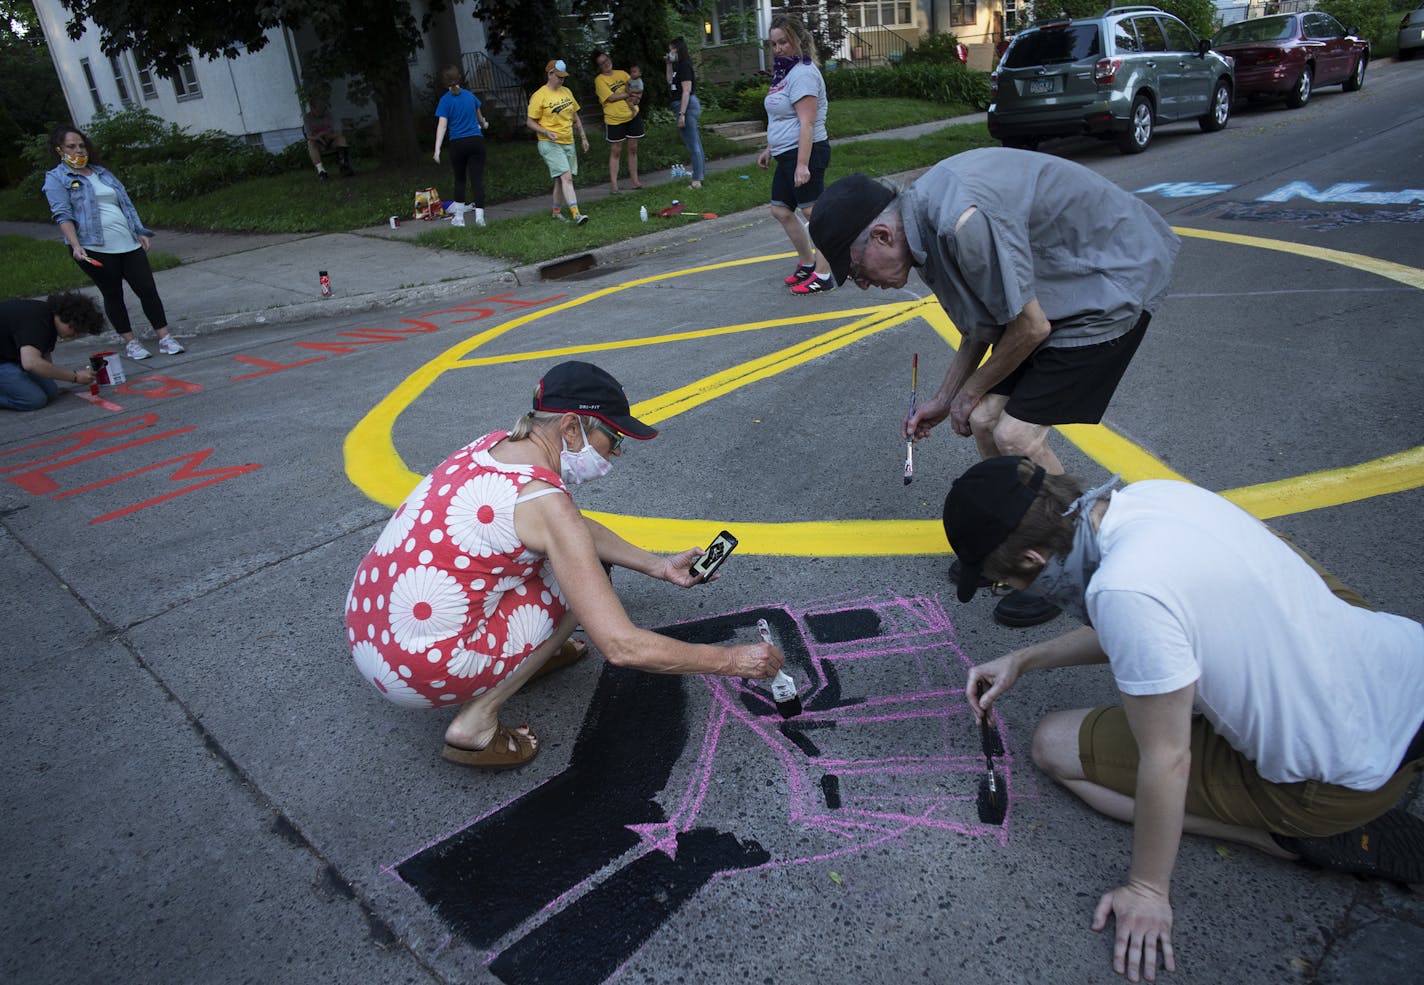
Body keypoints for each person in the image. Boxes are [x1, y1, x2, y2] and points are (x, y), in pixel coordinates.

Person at [944, 456, 1424, 983]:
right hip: (1401, 671)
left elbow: (1167, 757)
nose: (1011, 593)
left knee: (1054, 745)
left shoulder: (1124, 591)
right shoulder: (1151, 500)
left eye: (1003, 583)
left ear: (1034, 558)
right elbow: (1153, 612)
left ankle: (1292, 836)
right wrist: (1024, 659)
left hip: (1338, 777)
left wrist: (1147, 889)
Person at [345, 360, 785, 767]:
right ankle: (475, 723)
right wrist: (734, 661)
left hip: (371, 628)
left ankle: (531, 652)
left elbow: (572, 529)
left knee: (572, 561)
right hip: (422, 669)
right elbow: (622, 646)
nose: (615, 454)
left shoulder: (492, 447)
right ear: (571, 428)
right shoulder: (546, 504)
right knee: (587, 579)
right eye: (613, 440)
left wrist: (659, 566)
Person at [807, 151, 1179, 627]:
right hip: (1051, 298)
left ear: (882, 235)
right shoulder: (922, 232)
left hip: (1107, 282)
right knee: (983, 419)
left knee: (1017, 437)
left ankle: (1068, 562)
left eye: (856, 270)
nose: (861, 284)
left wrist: (968, 391)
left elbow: (1029, 326)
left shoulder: (962, 222)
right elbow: (981, 324)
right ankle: (1011, 542)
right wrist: (947, 399)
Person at [42, 126, 187, 362]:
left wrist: (138, 231)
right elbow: (62, 214)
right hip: (94, 246)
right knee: (113, 293)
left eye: (81, 145)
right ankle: (131, 342)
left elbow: (124, 204)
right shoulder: (56, 178)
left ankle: (165, 337)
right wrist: (76, 245)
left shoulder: (102, 173)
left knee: (147, 289)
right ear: (59, 150)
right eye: (71, 146)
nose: (78, 150)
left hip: (127, 242)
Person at [757, 14, 832, 295]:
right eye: (773, 44)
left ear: (797, 41)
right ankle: (808, 263)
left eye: (783, 42)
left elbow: (806, 123)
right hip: (785, 153)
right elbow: (780, 119)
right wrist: (769, 148)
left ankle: (824, 275)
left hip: (806, 153)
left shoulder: (802, 73)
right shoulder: (785, 73)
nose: (778, 49)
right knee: (780, 209)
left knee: (814, 212)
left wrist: (803, 165)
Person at [0, 291, 105, 411]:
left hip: (8, 357)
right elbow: (31, 363)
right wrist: (74, 376)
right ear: (69, 321)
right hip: (5, 362)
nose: (75, 335)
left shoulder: (48, 319)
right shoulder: (37, 321)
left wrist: (52, 384)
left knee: (51, 393)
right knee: (33, 400)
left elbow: (44, 356)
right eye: (76, 331)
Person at [526, 59, 591, 226]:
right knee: (567, 177)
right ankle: (577, 215)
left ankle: (556, 213)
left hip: (568, 141)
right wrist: (545, 131)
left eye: (563, 77)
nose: (561, 80)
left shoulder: (567, 92)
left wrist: (583, 137)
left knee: (560, 179)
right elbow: (530, 122)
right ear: (550, 74)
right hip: (549, 143)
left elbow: (575, 116)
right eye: (558, 76)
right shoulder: (539, 95)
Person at [433, 65, 491, 227]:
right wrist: (485, 124)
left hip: (458, 144)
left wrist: (437, 149)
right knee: (477, 180)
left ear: (445, 84)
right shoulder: (470, 97)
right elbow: (480, 120)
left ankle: (459, 218)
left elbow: (442, 126)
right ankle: (480, 218)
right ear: (459, 79)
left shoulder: (445, 101)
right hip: (476, 141)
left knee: (460, 180)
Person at [594, 51, 643, 193]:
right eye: (602, 63)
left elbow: (636, 87)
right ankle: (614, 186)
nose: (606, 63)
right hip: (614, 119)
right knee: (616, 150)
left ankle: (635, 181)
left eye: (607, 59)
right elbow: (611, 97)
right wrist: (627, 94)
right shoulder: (600, 80)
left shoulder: (622, 74)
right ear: (599, 67)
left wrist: (635, 98)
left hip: (632, 115)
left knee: (633, 147)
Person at [665, 37, 705, 189]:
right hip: (682, 106)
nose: (670, 52)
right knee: (694, 141)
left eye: (672, 49)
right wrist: (668, 64)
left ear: (678, 49)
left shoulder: (685, 66)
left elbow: (686, 91)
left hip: (686, 106)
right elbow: (670, 81)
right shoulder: (678, 66)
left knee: (692, 142)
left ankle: (696, 180)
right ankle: (700, 174)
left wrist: (682, 114)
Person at [303, 99, 354, 180]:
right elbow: (308, 136)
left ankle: (344, 166)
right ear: (312, 108)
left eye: (322, 110)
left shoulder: (330, 115)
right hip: (318, 142)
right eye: (318, 110)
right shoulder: (307, 118)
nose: (320, 112)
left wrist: (327, 136)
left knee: (341, 139)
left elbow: (339, 132)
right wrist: (319, 137)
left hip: (331, 139)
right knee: (310, 143)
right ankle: (321, 171)